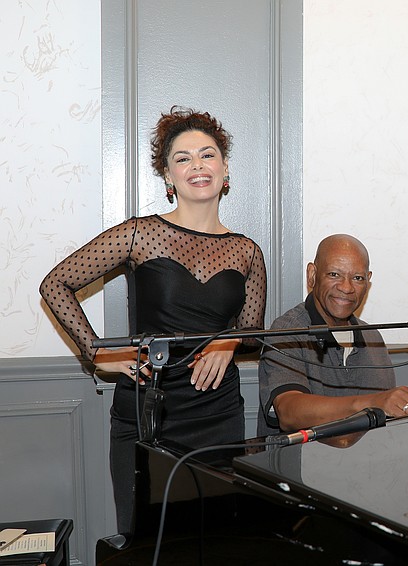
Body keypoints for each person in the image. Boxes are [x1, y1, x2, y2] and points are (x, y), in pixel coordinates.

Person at [39, 107, 267, 533]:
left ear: (225, 168)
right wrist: (97, 354)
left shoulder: (247, 251)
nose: (197, 165)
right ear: (167, 176)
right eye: (183, 158)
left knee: (214, 537)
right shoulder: (138, 234)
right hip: (148, 409)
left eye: (207, 155)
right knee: (145, 538)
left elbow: (253, 332)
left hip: (217, 412)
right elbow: (56, 284)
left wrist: (226, 341)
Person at [258, 234, 408, 437]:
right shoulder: (287, 331)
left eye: (358, 278)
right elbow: (288, 413)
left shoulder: (372, 338)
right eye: (334, 274)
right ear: (312, 274)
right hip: (299, 466)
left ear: (368, 282)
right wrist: (373, 402)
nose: (346, 287)